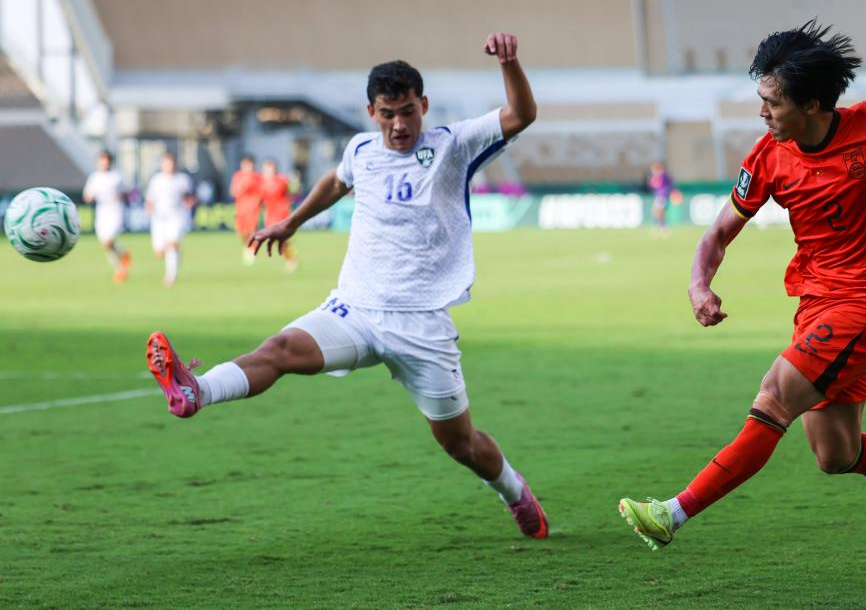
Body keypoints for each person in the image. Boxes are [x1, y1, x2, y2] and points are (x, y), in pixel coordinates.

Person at [144, 33, 549, 539]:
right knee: (279, 349)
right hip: (354, 309)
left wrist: (509, 63)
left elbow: (521, 114)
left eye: (408, 112)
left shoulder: (454, 144)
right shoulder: (361, 149)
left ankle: (513, 491)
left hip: (422, 323)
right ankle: (195, 390)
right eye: (388, 114)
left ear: (423, 106)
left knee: (460, 444)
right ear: (371, 112)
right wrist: (291, 222)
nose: (399, 125)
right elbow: (337, 182)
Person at [618, 20, 866, 550]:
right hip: (816, 305)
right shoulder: (768, 156)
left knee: (773, 397)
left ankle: (672, 514)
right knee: (836, 454)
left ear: (812, 104)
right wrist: (699, 284)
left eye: (772, 102)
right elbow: (718, 233)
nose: (762, 112)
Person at [145, 151, 195, 286]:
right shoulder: (156, 180)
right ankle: (177, 251)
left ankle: (170, 276)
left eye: (171, 163)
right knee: (160, 252)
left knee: (172, 244)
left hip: (177, 217)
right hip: (159, 219)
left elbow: (189, 196)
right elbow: (150, 199)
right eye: (166, 163)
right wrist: (148, 210)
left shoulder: (182, 179)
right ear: (162, 164)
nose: (169, 166)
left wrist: (191, 202)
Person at [83, 150, 132, 282]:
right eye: (101, 160)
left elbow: (127, 193)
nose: (103, 163)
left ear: (110, 161)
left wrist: (121, 196)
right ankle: (122, 261)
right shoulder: (94, 177)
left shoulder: (117, 176)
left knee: (109, 241)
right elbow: (87, 195)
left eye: (106, 160)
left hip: (115, 210)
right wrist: (90, 198)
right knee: (106, 244)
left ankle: (121, 265)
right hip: (101, 211)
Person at [260, 158, 299, 273]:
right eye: (266, 169)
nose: (268, 172)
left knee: (280, 239)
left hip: (281, 214)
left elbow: (292, 192)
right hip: (270, 215)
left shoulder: (281, 180)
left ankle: (291, 260)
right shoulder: (262, 183)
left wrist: (294, 185)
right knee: (276, 240)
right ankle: (290, 258)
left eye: (270, 169)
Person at [231, 155, 263, 266]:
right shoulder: (237, 176)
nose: (247, 167)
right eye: (245, 164)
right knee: (240, 232)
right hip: (240, 209)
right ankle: (248, 246)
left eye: (249, 164)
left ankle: (253, 249)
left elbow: (261, 192)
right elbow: (233, 192)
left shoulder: (257, 177)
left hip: (253, 209)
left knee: (252, 230)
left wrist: (258, 201)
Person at [647, 161, 675, 236]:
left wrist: (670, 192)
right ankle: (661, 227)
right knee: (656, 212)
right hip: (658, 196)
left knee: (658, 212)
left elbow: (670, 184)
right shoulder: (654, 177)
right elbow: (652, 186)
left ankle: (663, 227)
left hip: (662, 196)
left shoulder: (663, 176)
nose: (652, 171)